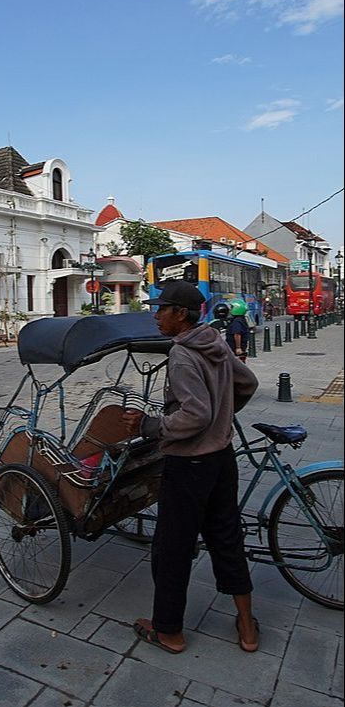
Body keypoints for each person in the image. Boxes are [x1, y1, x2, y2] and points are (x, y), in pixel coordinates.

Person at [122, 280, 259, 655]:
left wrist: (152, 426)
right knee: (226, 538)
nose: (156, 316)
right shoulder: (213, 341)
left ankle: (168, 631)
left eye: (161, 309)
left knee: (172, 547)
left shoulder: (182, 354)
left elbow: (194, 415)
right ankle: (247, 625)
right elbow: (246, 382)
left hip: (189, 465)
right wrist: (223, 418)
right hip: (222, 459)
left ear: (180, 315)